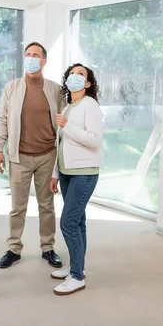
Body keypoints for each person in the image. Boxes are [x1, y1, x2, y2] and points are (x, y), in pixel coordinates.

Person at [0, 42, 65, 269]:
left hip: (47, 155)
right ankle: (14, 248)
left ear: (44, 61)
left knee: (47, 205)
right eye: (28, 54)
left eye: (36, 55)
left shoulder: (55, 89)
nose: (31, 58)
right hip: (20, 156)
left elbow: (63, 123)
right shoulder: (12, 87)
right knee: (18, 206)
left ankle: (48, 248)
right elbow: (3, 119)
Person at [48, 63, 103, 296]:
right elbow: (59, 144)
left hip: (85, 172)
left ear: (88, 83)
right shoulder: (69, 106)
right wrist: (54, 173)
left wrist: (67, 126)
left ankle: (78, 277)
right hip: (67, 172)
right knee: (78, 223)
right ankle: (76, 266)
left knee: (68, 223)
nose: (75, 76)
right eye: (72, 73)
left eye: (81, 74)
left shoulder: (90, 105)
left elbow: (94, 140)